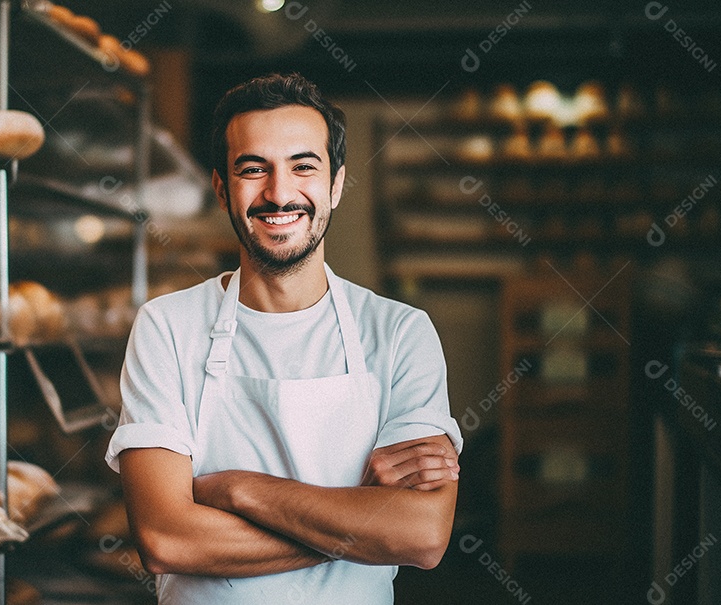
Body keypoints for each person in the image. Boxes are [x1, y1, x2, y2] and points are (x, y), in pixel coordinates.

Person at [105, 73, 462, 604]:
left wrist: (238, 490)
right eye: (254, 169)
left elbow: (422, 536)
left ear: (336, 185)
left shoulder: (400, 333)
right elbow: (166, 539)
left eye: (303, 166)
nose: (278, 193)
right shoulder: (166, 327)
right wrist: (362, 523)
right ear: (222, 189)